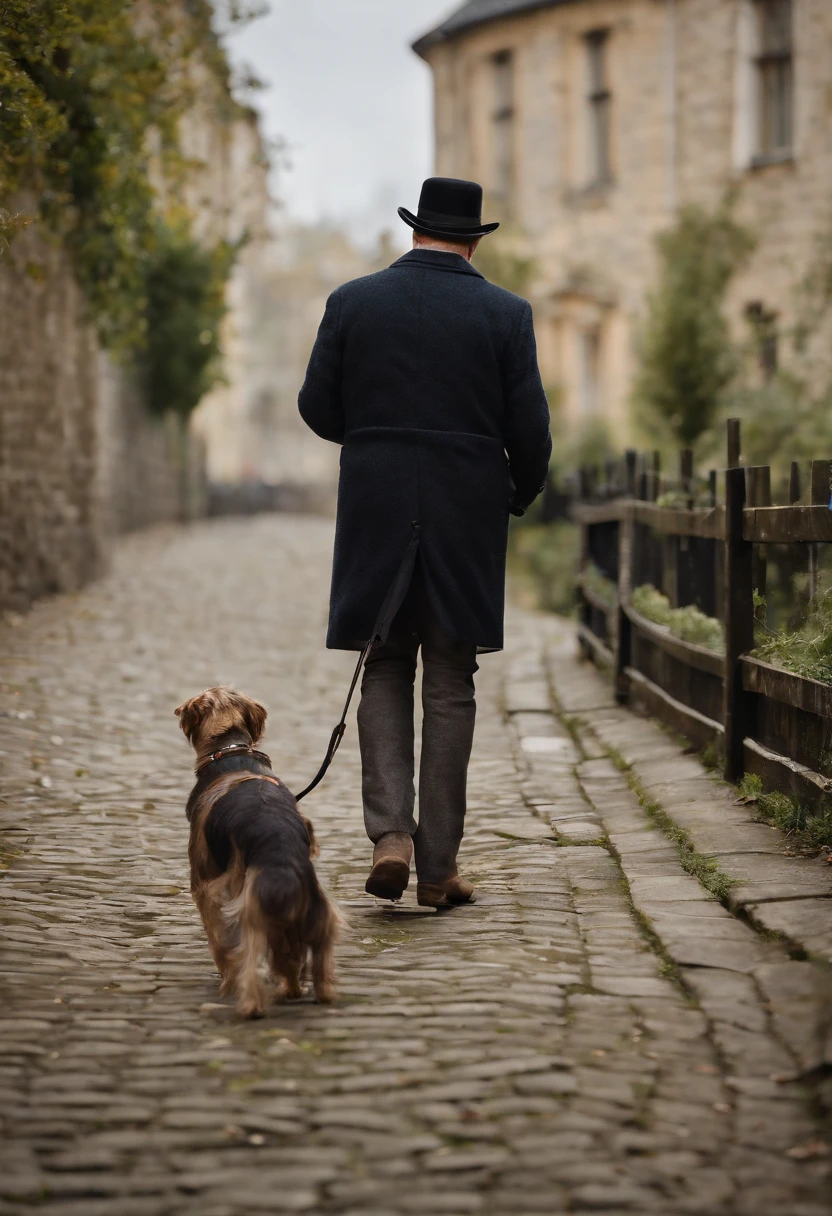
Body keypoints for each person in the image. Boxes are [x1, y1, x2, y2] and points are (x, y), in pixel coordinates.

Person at [298, 176, 552, 909]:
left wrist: (378, 439)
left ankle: (390, 840)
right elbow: (530, 429)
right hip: (466, 510)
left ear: (414, 231)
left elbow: (317, 407)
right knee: (450, 679)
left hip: (376, 503)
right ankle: (438, 870)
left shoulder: (352, 302)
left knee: (383, 664)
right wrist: (518, 491)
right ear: (473, 242)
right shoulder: (506, 313)